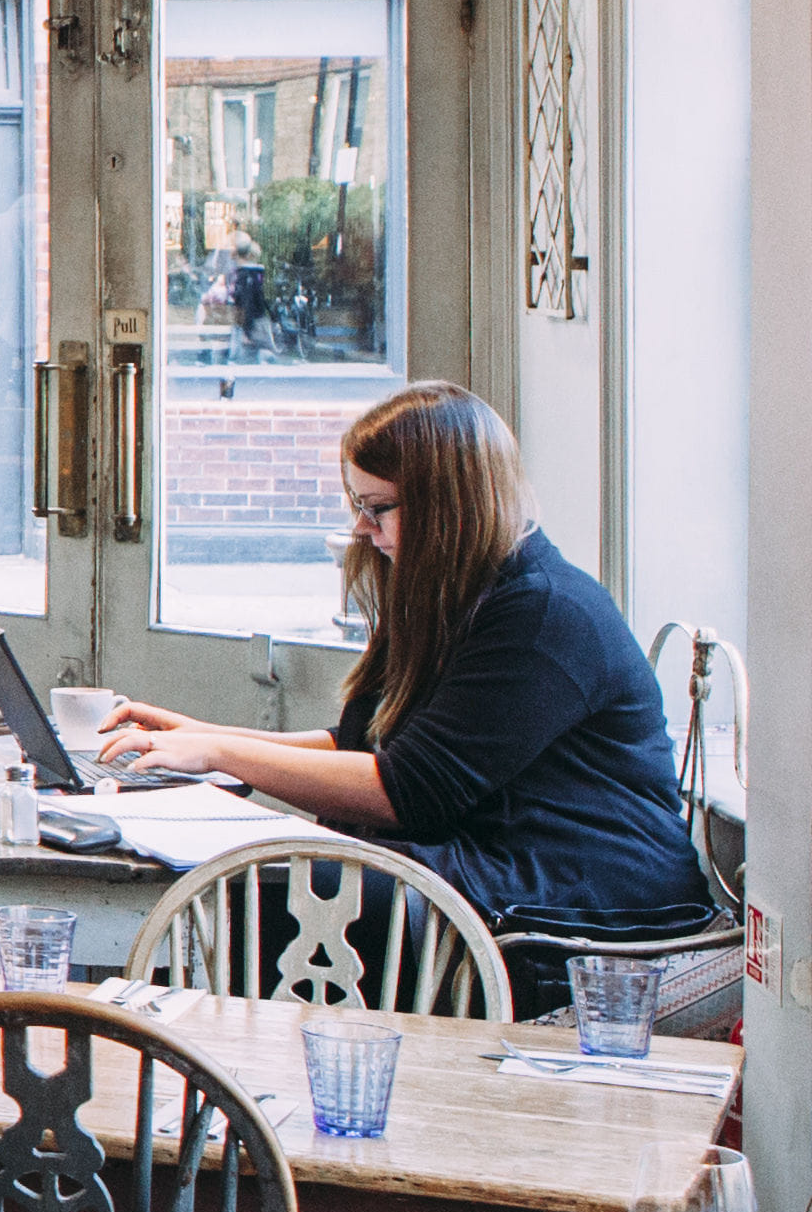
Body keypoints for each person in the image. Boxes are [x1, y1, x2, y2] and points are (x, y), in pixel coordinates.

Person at [95, 381, 703, 941]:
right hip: (499, 860)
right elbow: (363, 746)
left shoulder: (546, 614)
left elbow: (408, 791)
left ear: (451, 504)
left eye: (378, 507)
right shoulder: (445, 590)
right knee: (280, 878)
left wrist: (223, 755)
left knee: (289, 889)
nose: (361, 528)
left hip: (581, 890)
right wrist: (203, 736)